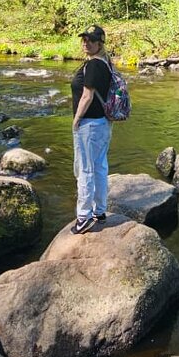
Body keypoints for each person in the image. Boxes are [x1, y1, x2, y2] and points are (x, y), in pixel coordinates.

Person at [70, 24, 113, 234]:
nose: (86, 42)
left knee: (85, 170)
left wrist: (76, 119)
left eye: (91, 40)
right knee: (99, 167)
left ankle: (84, 217)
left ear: (100, 43)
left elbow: (87, 96)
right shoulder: (106, 63)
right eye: (84, 39)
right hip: (103, 124)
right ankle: (100, 211)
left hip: (88, 125)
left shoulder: (95, 65)